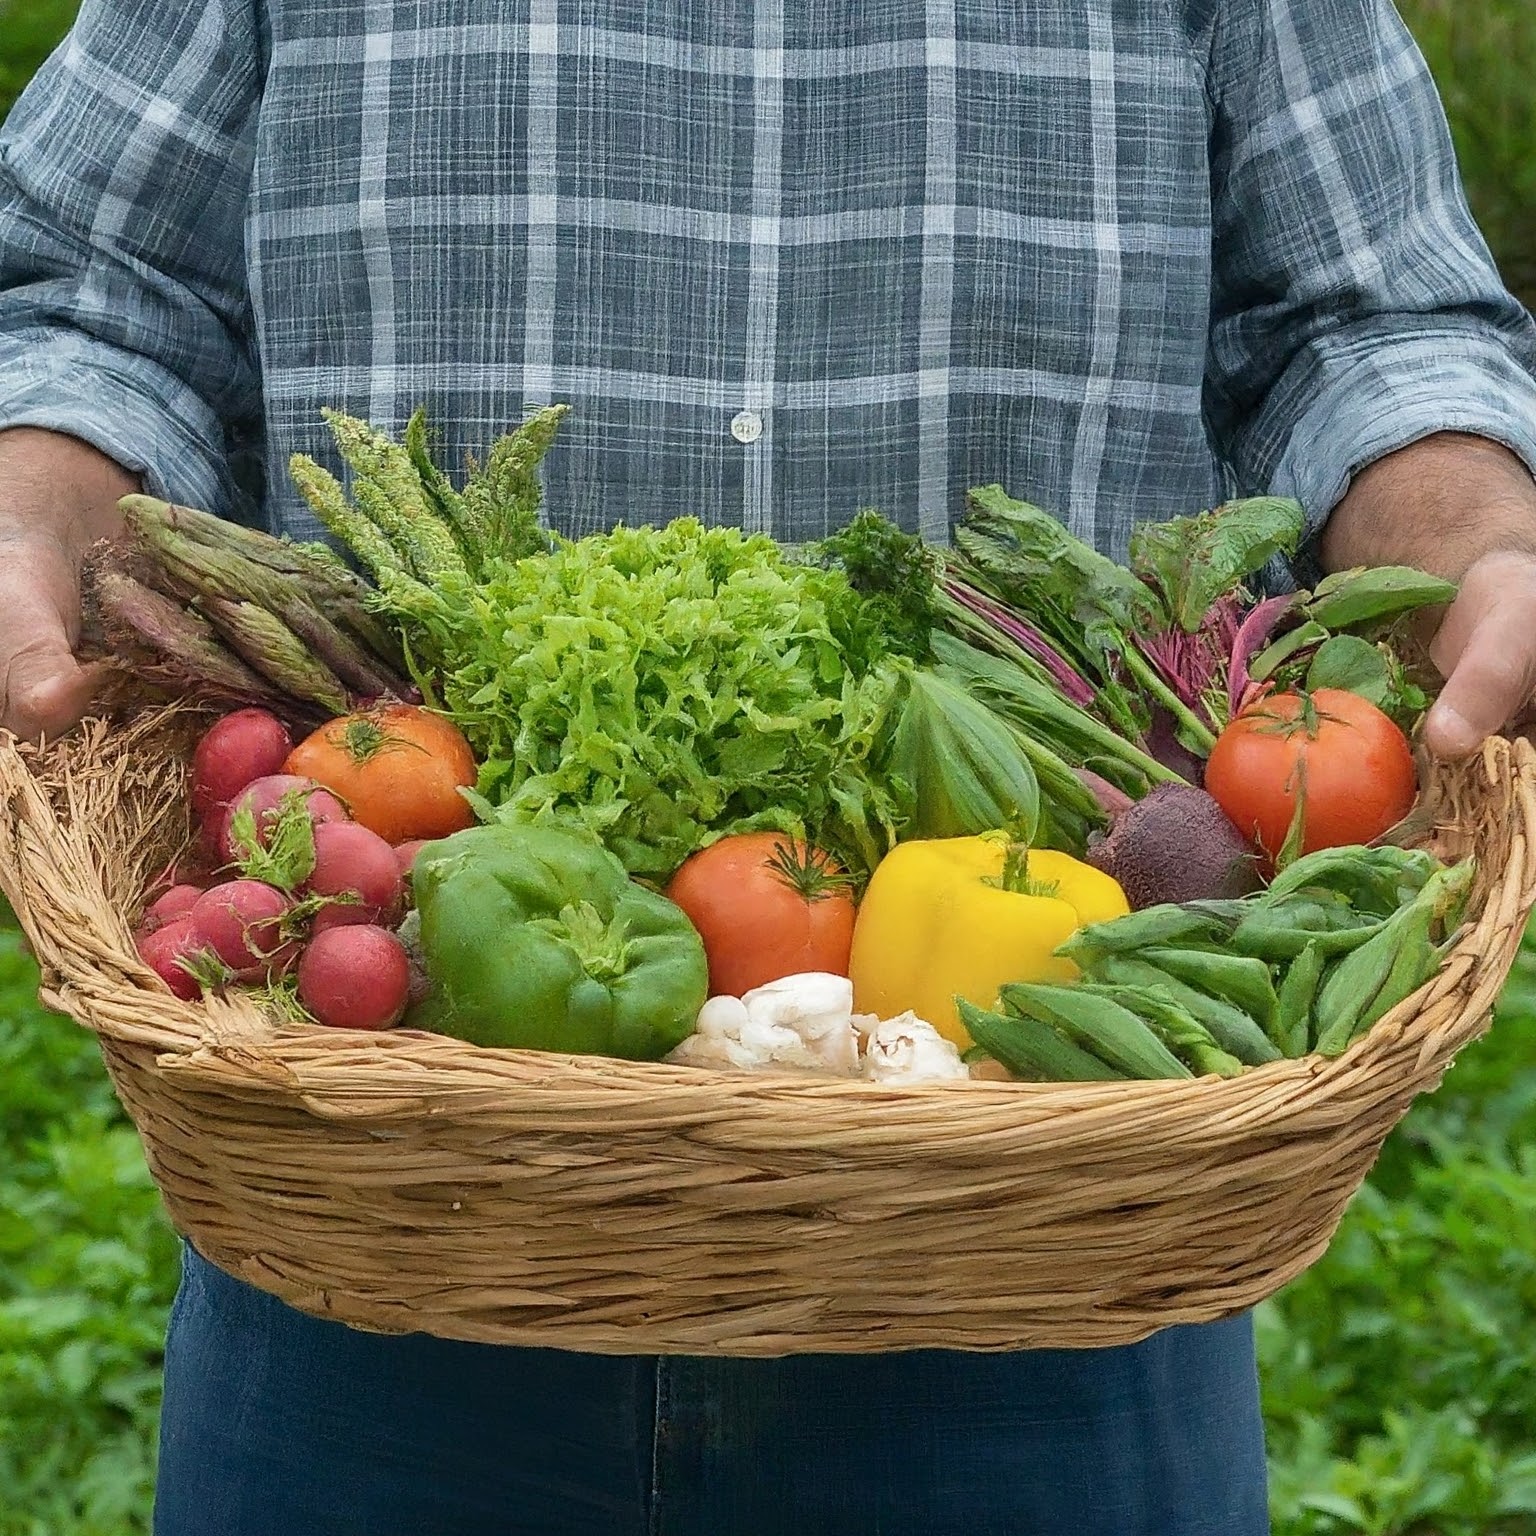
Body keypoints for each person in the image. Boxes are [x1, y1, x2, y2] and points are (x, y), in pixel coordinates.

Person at [3, 2, 1535, 1532]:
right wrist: (26, 506)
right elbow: (91, 301)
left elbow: (1371, 324)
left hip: (1052, 1247)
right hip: (374, 1222)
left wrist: (1487, 546)